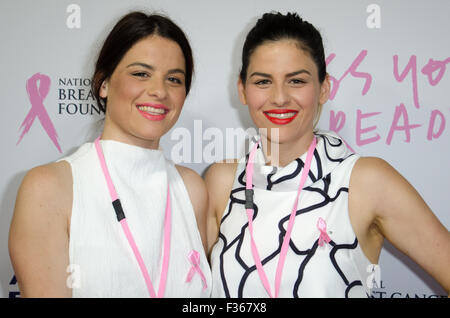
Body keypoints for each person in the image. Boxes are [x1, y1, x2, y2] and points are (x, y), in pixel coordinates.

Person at [205, 12, 450, 298]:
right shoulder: (222, 181)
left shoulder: (365, 180)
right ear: (242, 90)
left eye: (296, 81)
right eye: (263, 81)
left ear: (324, 88)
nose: (280, 97)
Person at [9, 11, 211, 298]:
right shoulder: (50, 187)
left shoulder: (191, 188)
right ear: (104, 84)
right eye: (141, 73)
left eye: (174, 79)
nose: (159, 91)